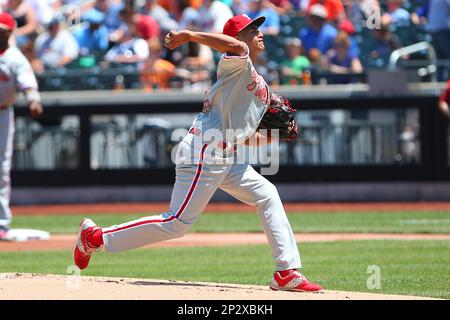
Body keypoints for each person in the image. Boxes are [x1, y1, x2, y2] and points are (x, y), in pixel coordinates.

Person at [73, 14, 323, 293]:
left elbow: (245, 137)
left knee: (267, 194)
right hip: (204, 150)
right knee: (176, 223)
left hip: (225, 154)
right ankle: (94, 238)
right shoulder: (237, 62)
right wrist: (189, 35)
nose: (259, 33)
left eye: (258, 28)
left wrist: (276, 135)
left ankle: (286, 272)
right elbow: (234, 48)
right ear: (236, 38)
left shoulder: (254, 80)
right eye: (252, 29)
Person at [0, 13, 43, 239]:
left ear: (9, 32)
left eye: (2, 30)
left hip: (3, 114)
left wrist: (33, 100)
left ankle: (1, 223)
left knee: (1, 168)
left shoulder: (15, 57)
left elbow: (28, 83)